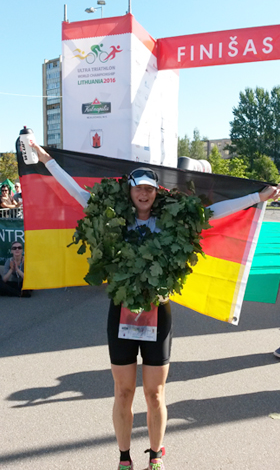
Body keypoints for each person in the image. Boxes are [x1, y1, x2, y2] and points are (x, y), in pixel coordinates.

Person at [31, 142, 280, 470]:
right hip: (120, 312)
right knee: (123, 392)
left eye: (150, 189)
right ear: (130, 192)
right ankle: (124, 458)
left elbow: (213, 213)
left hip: (158, 313)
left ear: (156, 192)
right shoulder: (113, 216)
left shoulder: (172, 218)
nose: (144, 194)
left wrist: (257, 198)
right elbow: (76, 192)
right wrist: (46, 159)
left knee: (155, 393)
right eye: (139, 189)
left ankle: (156, 455)